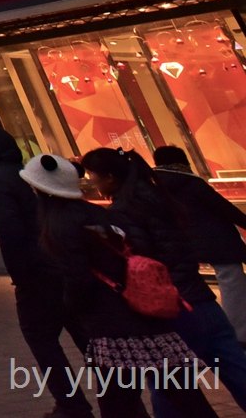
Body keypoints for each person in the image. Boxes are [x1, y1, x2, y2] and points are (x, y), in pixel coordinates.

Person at [27, 152, 214, 418]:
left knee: (119, 401)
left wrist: (71, 307)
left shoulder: (60, 225)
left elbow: (77, 278)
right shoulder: (97, 213)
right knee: (180, 394)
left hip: (112, 324)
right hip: (142, 310)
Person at [80, 148, 246, 411]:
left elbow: (142, 261)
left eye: (93, 176)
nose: (92, 183)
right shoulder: (159, 196)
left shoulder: (124, 211)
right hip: (198, 295)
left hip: (170, 302)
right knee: (233, 363)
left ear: (110, 177)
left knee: (169, 381)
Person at [0, 128, 90, 418]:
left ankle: (71, 405)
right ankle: (122, 394)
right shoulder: (26, 174)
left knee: (41, 337)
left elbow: (9, 231)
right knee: (84, 335)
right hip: (64, 266)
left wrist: (21, 276)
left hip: (37, 272)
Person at [152, 145, 246, 341]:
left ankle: (217, 328)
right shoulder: (190, 182)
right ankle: (238, 330)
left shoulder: (156, 186)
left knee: (197, 286)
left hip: (186, 242)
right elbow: (223, 208)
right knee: (231, 282)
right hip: (218, 240)